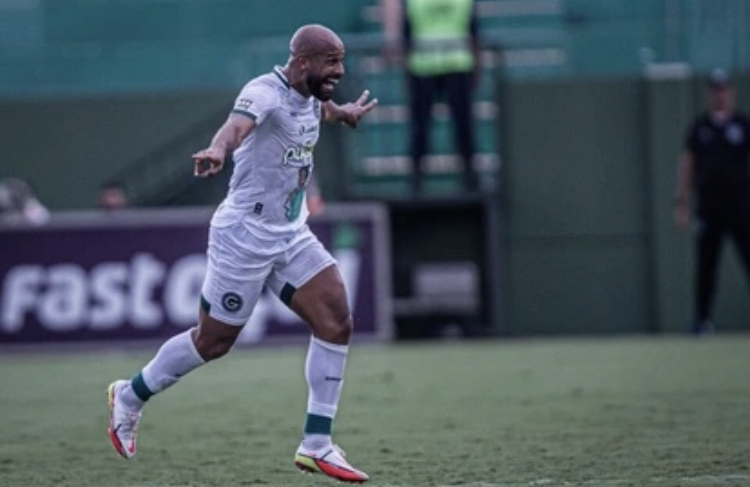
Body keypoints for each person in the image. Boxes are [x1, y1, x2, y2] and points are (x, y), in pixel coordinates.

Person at [106, 24, 377, 483]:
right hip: (244, 236)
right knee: (212, 342)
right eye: (331, 61)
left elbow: (317, 109)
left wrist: (342, 112)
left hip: (290, 234)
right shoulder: (263, 92)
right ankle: (129, 395)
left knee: (336, 321)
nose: (339, 70)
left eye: (341, 60)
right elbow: (236, 126)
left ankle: (316, 444)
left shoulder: (310, 94)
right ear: (303, 62)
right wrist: (217, 148)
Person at [674, 69, 750, 335]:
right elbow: (688, 164)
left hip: (741, 207)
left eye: (724, 88)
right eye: (715, 89)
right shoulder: (700, 127)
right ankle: (702, 321)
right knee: (706, 267)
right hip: (709, 208)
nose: (720, 94)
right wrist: (682, 203)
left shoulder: (743, 124)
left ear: (731, 91)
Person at [381, 0, 481, 195]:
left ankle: (467, 176)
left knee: (461, 125)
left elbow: (473, 32)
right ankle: (419, 178)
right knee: (423, 126)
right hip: (430, 65)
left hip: (448, 65)